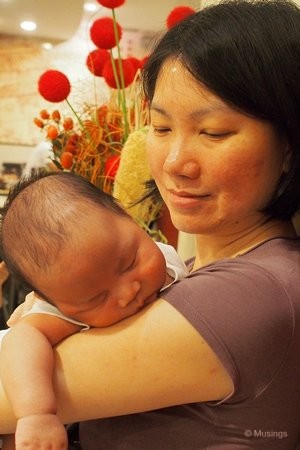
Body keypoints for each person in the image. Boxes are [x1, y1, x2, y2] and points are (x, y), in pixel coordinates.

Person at [0, 0, 300, 448]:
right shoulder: (188, 268)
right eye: (160, 128)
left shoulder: (252, 295)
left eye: (214, 132)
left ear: (290, 146)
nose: (176, 162)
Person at [0, 170, 188, 450]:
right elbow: (20, 340)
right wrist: (35, 413)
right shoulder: (55, 313)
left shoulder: (165, 255)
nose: (128, 293)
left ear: (126, 216)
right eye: (97, 298)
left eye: (128, 263)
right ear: (51, 299)